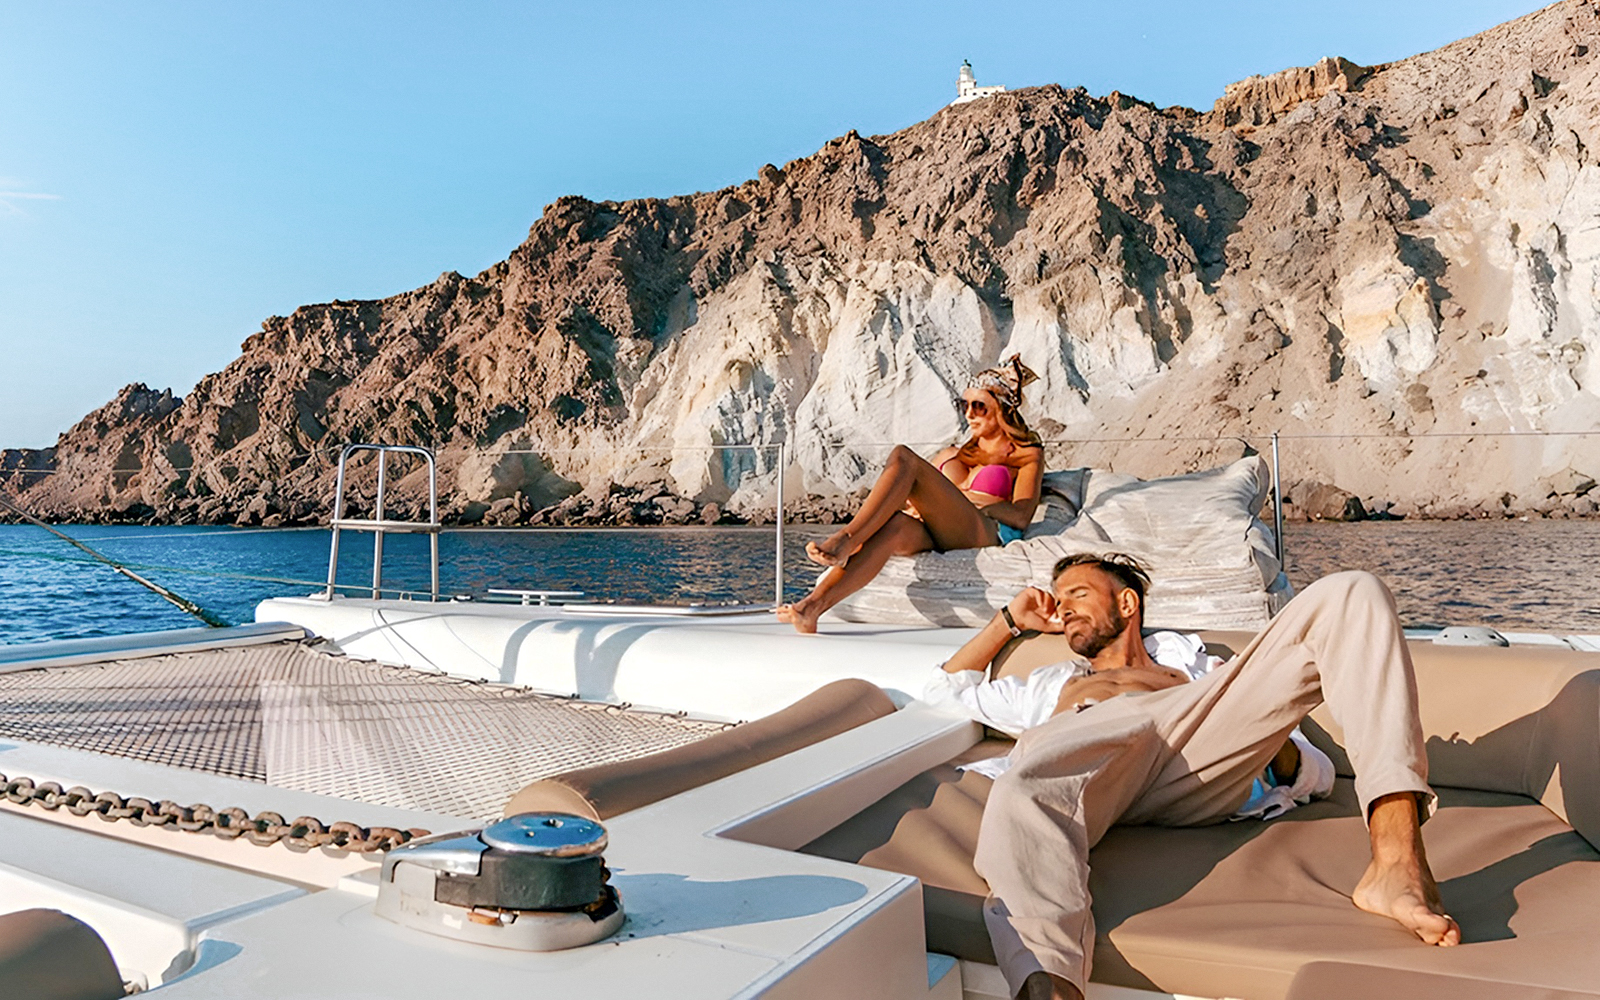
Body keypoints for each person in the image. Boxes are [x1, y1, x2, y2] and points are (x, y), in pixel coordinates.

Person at [945, 553, 1458, 1000]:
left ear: (1127, 605)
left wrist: (1259, 736)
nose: (1064, 608)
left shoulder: (1196, 665)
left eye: (1077, 593)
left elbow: (1313, 774)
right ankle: (1051, 987)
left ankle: (1397, 864)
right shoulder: (1051, 684)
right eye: (1058, 601)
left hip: (1192, 754)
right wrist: (1012, 619)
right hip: (1088, 755)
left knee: (1352, 591)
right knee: (1023, 789)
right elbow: (951, 684)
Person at [777, 355, 1045, 634]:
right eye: (964, 405)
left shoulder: (1025, 454)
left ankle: (847, 539)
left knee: (904, 457)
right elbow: (905, 493)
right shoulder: (953, 453)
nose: (969, 414)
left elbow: (1021, 515)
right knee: (895, 527)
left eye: (979, 406)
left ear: (1002, 409)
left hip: (985, 531)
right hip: (936, 529)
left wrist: (966, 500)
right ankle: (811, 608)